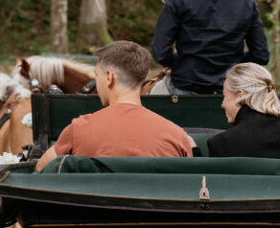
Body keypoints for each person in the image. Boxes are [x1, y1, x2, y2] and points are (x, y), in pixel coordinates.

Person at [35, 41, 193, 171]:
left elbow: (40, 170)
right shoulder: (177, 137)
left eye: (97, 75)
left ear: (109, 77)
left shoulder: (78, 129)